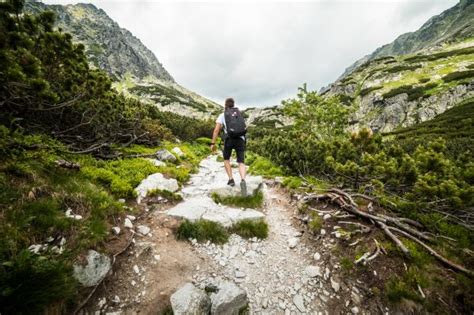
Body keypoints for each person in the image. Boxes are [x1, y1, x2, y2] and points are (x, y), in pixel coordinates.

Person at [210, 97, 247, 196]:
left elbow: (216, 130)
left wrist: (213, 143)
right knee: (241, 161)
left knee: (226, 159)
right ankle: (243, 179)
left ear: (225, 105)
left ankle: (231, 179)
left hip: (229, 139)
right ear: (233, 104)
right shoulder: (238, 114)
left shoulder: (223, 115)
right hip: (240, 139)